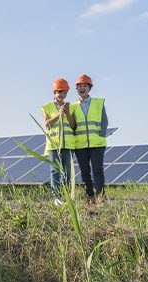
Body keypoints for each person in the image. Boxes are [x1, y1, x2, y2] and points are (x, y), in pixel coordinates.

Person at [72, 74, 108, 204]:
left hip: (97, 143)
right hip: (80, 145)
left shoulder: (98, 103)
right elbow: (72, 124)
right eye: (79, 86)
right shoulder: (72, 106)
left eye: (85, 86)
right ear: (76, 89)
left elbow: (104, 121)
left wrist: (101, 135)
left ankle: (100, 196)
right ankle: (90, 196)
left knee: (98, 171)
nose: (82, 88)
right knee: (85, 172)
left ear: (89, 88)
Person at [41, 78, 76, 206]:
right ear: (55, 92)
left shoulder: (70, 107)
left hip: (67, 144)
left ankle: (66, 197)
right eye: (60, 92)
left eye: (65, 92)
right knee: (55, 171)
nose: (62, 94)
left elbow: (73, 125)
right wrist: (58, 114)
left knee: (67, 171)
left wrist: (67, 114)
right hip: (54, 144)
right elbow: (46, 123)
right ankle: (57, 198)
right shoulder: (46, 107)